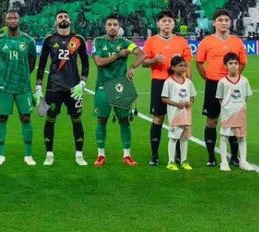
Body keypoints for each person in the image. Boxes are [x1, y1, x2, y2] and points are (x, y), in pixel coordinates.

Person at [35, 10, 90, 166]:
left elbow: (86, 64)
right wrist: (38, 86)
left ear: (70, 21)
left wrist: (83, 83)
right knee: (50, 119)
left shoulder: (78, 39)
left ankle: (79, 155)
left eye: (66, 16)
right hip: (54, 88)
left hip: (74, 88)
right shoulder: (49, 40)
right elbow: (42, 64)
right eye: (60, 17)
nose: (63, 18)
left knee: (76, 119)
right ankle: (49, 154)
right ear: (56, 22)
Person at [194, 9, 247, 167]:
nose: (223, 23)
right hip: (213, 83)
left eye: (226, 20)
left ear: (230, 23)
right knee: (212, 120)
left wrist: (234, 78)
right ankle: (211, 157)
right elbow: (199, 63)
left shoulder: (237, 42)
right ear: (214, 23)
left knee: (233, 119)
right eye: (220, 20)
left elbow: (242, 62)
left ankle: (234, 157)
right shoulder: (207, 41)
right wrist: (208, 78)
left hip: (232, 86)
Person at [91, 15, 145, 167]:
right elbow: (99, 62)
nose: (112, 27)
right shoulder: (98, 41)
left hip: (121, 86)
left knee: (124, 120)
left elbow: (142, 54)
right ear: (105, 27)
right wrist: (117, 55)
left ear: (119, 27)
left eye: (115, 24)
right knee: (101, 120)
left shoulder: (125, 42)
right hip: (103, 86)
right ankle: (101, 155)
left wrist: (132, 67)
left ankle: (127, 156)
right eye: (109, 24)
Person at [142, 10, 191, 166]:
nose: (167, 23)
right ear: (158, 24)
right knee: (158, 118)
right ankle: (154, 155)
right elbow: (144, 63)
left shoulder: (181, 41)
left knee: (178, 119)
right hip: (159, 82)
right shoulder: (151, 41)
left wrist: (188, 84)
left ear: (173, 23)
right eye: (164, 21)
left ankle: (178, 156)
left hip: (178, 84)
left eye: (169, 21)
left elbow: (187, 64)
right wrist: (154, 60)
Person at [0, 9, 37, 166]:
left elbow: (32, 63)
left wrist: (22, 75)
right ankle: (0, 154)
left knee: (26, 118)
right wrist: (5, 75)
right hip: (4, 87)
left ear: (19, 20)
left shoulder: (29, 41)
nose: (12, 20)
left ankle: (28, 155)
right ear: (5, 21)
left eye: (15, 18)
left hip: (23, 87)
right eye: (9, 18)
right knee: (1, 118)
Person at [215, 52, 255, 172]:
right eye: (230, 63)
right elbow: (220, 98)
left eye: (236, 63)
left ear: (239, 65)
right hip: (227, 114)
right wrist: (227, 108)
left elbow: (246, 97)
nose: (233, 65)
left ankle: (243, 161)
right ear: (225, 66)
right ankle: (224, 162)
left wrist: (239, 107)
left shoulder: (244, 80)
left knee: (242, 137)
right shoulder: (222, 82)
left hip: (240, 114)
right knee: (224, 136)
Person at [162, 56, 196, 171]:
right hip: (175, 115)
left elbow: (192, 97)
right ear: (173, 67)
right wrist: (176, 104)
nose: (183, 68)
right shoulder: (169, 82)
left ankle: (184, 161)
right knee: (173, 138)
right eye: (180, 66)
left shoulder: (188, 82)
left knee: (184, 138)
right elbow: (164, 98)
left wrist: (190, 103)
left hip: (186, 115)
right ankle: (171, 162)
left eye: (184, 65)